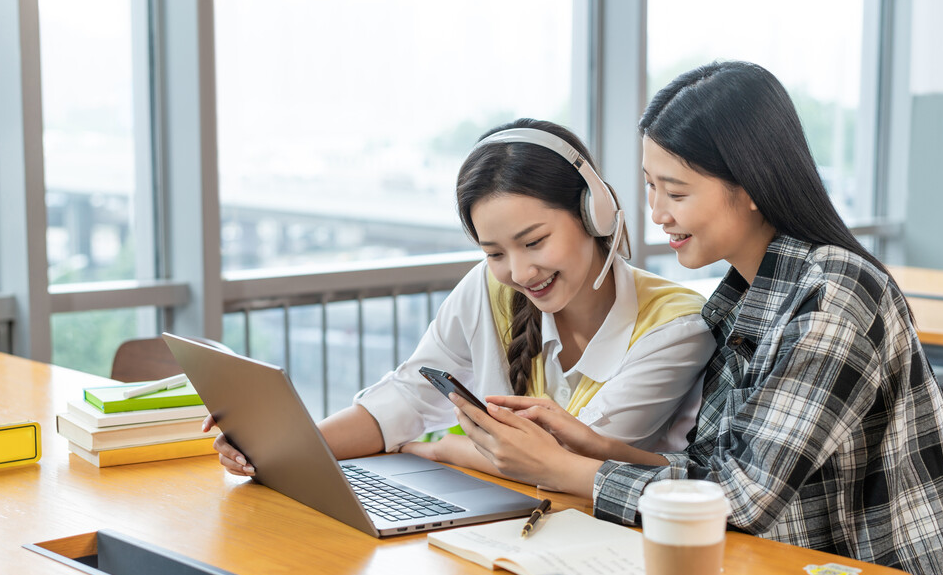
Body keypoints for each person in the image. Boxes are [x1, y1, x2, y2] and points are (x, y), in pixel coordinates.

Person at [452, 62, 943, 575]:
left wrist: (562, 469)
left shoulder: (832, 295)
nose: (657, 213)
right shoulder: (737, 301)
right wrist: (595, 446)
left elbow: (741, 498)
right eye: (650, 186)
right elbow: (712, 473)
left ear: (752, 184)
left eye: (676, 191)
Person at [209, 118, 715, 499]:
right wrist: (283, 449)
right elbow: (407, 398)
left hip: (611, 549)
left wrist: (443, 449)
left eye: (534, 242)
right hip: (508, 527)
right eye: (495, 253)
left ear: (594, 213)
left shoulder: (676, 326)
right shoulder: (489, 290)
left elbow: (562, 461)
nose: (518, 273)